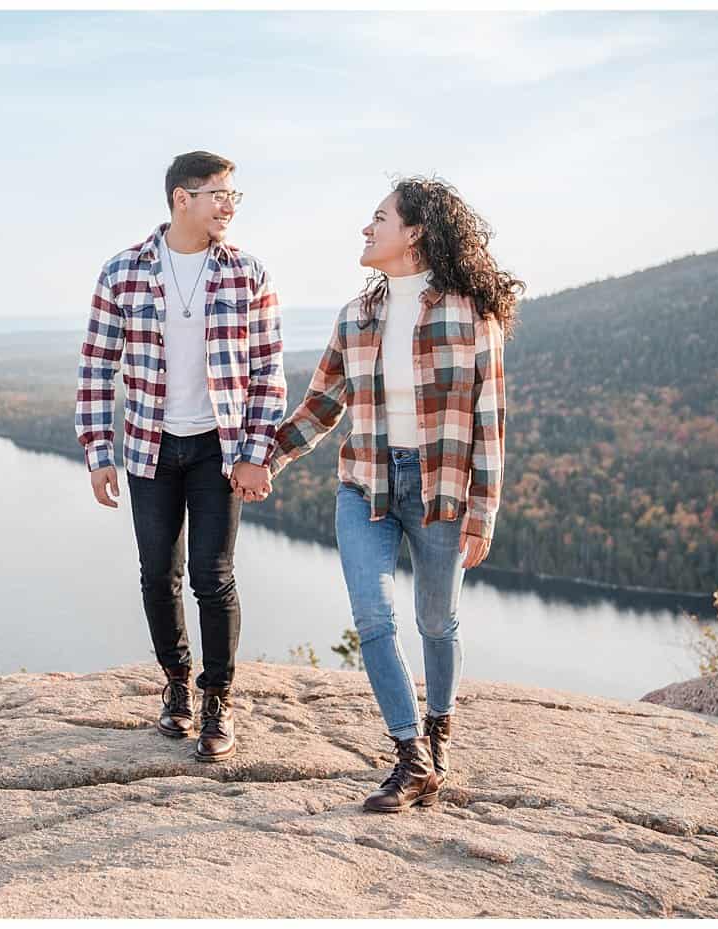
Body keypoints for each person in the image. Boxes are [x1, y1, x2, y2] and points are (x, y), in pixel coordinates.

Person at [265, 176, 518, 813]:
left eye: (378, 217)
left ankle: (439, 732)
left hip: (440, 491)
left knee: (437, 621)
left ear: (414, 233)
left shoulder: (470, 314)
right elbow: (322, 405)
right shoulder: (357, 315)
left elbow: (490, 418)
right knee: (374, 617)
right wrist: (260, 457)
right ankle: (410, 754)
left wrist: (483, 512)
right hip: (366, 483)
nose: (365, 228)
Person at [76, 150, 285, 761]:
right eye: (220, 194)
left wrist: (257, 454)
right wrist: (98, 449)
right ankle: (176, 688)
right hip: (149, 447)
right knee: (156, 575)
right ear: (181, 199)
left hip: (220, 452)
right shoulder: (123, 272)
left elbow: (269, 372)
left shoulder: (249, 273)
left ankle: (217, 698)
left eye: (233, 196)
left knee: (212, 578)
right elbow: (96, 365)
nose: (229, 206)